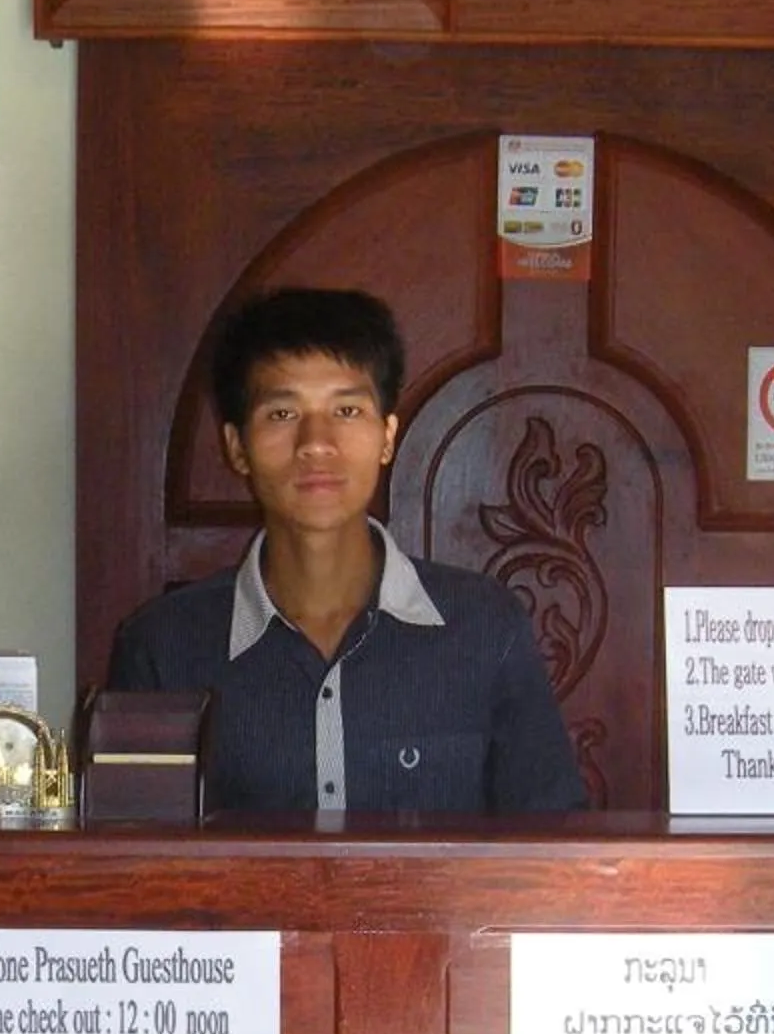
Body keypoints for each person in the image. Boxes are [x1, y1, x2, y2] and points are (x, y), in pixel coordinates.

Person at [104, 288, 586, 816]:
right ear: (237, 447)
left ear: (387, 437)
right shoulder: (162, 647)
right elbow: (134, 854)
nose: (316, 441)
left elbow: (551, 841)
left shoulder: (486, 626)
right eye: (283, 413)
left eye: (347, 410)